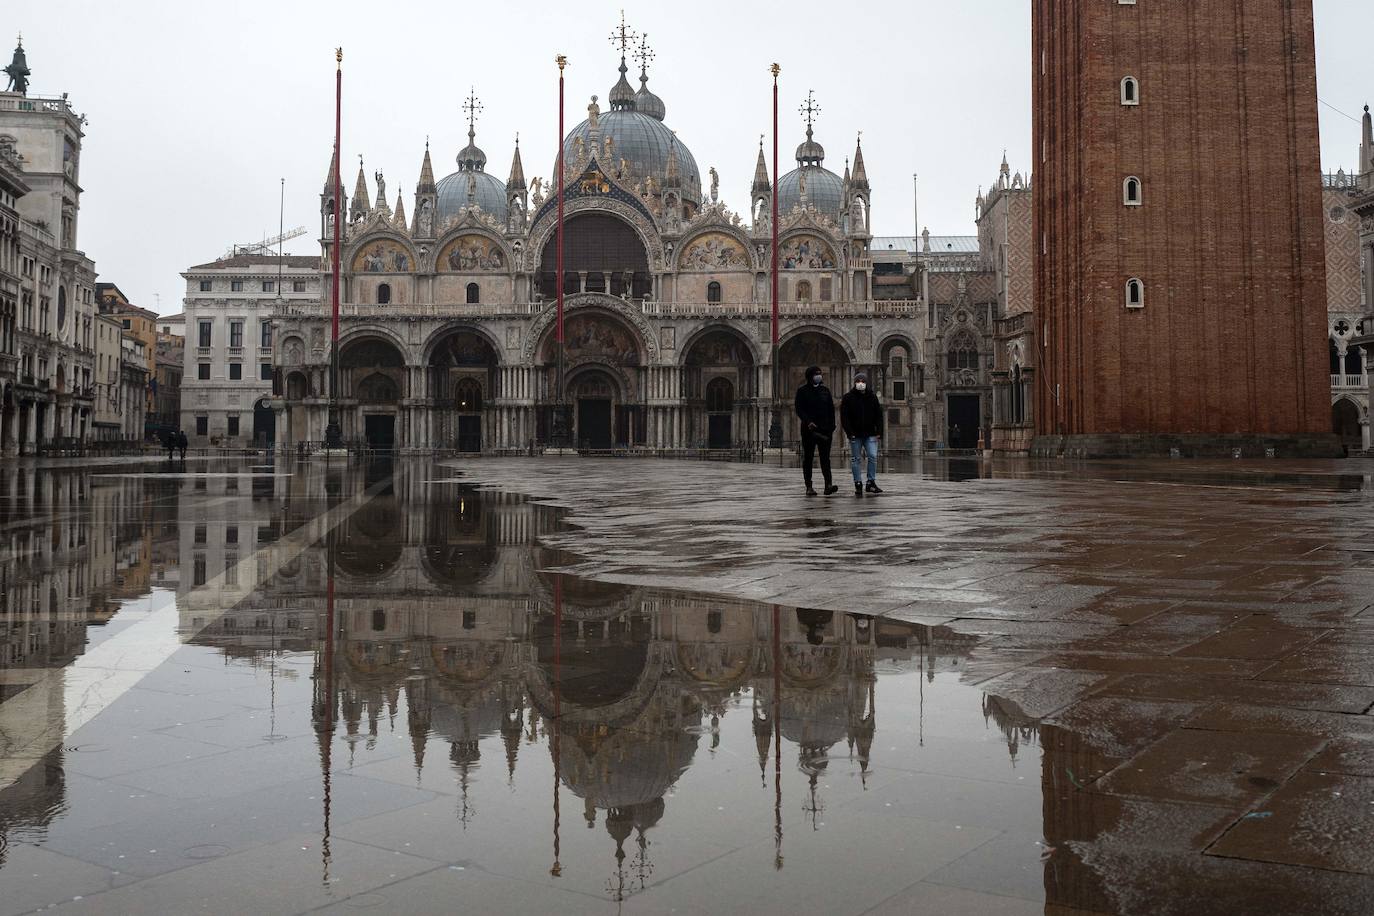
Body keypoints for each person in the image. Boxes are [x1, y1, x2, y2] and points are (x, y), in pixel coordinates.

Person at [794, 365, 839, 497]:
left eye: (820, 374)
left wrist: (832, 426)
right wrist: (808, 421)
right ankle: (809, 486)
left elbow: (831, 409)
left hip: (825, 430)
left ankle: (828, 485)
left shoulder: (825, 391)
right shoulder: (802, 391)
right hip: (809, 430)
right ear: (809, 376)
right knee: (808, 458)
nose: (818, 376)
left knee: (825, 458)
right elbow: (799, 409)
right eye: (816, 374)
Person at [841, 371, 884, 496]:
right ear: (854, 383)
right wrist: (849, 432)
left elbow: (878, 415)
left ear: (867, 383)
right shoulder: (848, 397)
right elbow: (844, 417)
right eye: (858, 381)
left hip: (870, 433)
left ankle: (870, 482)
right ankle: (858, 483)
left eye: (863, 382)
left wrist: (879, 431)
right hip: (855, 434)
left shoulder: (872, 397)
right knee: (855, 459)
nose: (861, 384)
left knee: (872, 456)